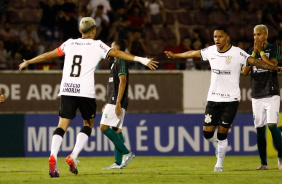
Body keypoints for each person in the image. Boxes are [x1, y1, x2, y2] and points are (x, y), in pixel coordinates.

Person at [18, 17, 158, 178]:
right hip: (85, 91)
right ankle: (73, 156)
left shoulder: (69, 43)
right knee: (88, 124)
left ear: (80, 31)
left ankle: (53, 156)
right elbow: (117, 53)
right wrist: (141, 59)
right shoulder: (97, 44)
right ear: (94, 30)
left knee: (62, 125)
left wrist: (29, 61)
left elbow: (49, 55)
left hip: (67, 89)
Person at [164, 26, 281, 172]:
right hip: (213, 98)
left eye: (219, 37)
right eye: (214, 37)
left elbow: (255, 62)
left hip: (232, 100)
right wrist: (176, 56)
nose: (216, 39)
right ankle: (220, 146)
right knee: (207, 134)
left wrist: (274, 68)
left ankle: (218, 165)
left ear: (227, 37)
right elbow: (194, 53)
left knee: (223, 134)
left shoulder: (238, 52)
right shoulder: (211, 51)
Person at [242, 24, 282, 170]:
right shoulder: (250, 51)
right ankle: (264, 163)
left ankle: (281, 157)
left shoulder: (274, 48)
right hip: (257, 94)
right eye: (254, 35)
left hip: (271, 92)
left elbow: (273, 66)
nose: (256, 37)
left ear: (266, 35)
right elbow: (245, 71)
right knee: (259, 129)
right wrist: (253, 53)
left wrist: (261, 52)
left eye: (259, 34)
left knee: (272, 126)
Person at [100, 39, 132, 170]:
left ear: (117, 49)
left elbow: (123, 81)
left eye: (112, 47)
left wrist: (117, 102)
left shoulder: (120, 60)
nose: (110, 49)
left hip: (117, 101)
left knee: (103, 127)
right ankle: (118, 162)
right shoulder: (114, 63)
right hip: (112, 100)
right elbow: (115, 85)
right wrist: (108, 102)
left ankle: (127, 153)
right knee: (116, 130)